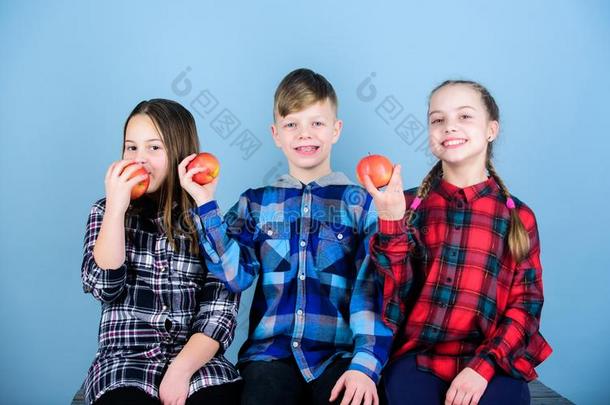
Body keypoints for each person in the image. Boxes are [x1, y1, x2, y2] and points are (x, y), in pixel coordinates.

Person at [189, 68, 392, 405]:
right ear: (276, 134)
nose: (304, 134)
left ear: (336, 130)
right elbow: (233, 276)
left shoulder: (361, 204)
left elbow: (372, 289)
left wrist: (365, 364)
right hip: (271, 357)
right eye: (291, 124)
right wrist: (205, 203)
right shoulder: (255, 203)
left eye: (316, 123)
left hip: (339, 357)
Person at [364, 80, 552, 405]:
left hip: (493, 360)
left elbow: (526, 305)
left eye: (464, 116)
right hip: (419, 358)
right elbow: (394, 292)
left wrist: (484, 366)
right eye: (437, 119)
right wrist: (392, 222)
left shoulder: (518, 217)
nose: (449, 126)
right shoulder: (407, 206)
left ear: (492, 129)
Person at [81, 99, 241, 405]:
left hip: (197, 364)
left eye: (154, 148)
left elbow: (220, 311)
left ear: (179, 152)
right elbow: (104, 285)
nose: (140, 159)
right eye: (131, 148)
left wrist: (180, 371)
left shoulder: (207, 220)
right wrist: (116, 209)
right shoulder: (106, 212)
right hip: (125, 365)